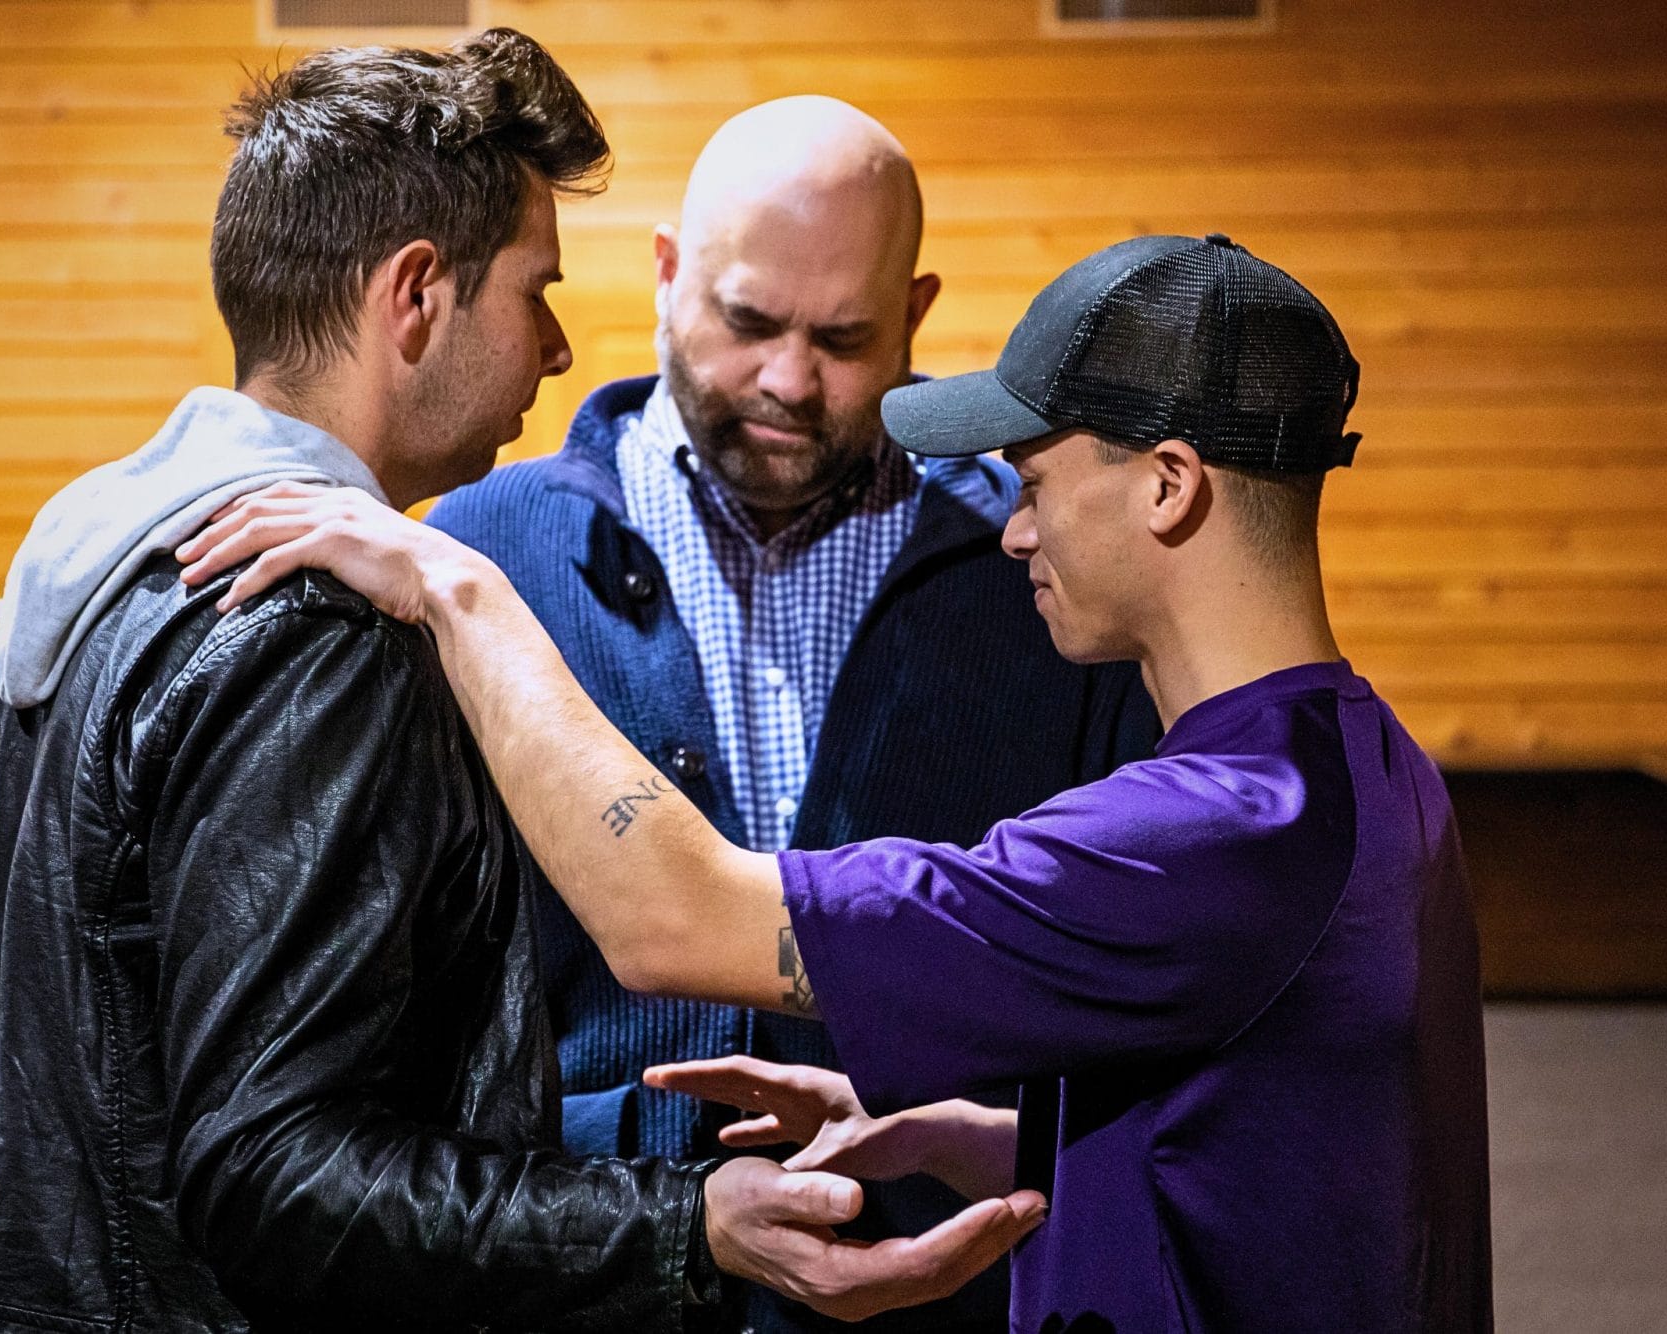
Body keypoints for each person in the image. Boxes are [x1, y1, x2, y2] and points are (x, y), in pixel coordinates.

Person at [0, 32, 1043, 1334]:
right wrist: (683, 1222)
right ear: (417, 299)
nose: (559, 350)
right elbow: (275, 1171)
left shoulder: (84, 569)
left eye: (841, 333)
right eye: (535, 290)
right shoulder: (327, 616)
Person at [180, 232, 1495, 1332]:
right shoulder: (1363, 758)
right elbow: (1271, 1131)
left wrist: (456, 585)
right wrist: (974, 1129)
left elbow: (671, 918)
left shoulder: (1205, 830)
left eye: (1038, 484)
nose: (1017, 528)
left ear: (1167, 486)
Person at [426, 96, 1158, 1332]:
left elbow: (1118, 977)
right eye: (747, 321)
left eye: (845, 337)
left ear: (916, 315)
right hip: (587, 1282)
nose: (786, 380)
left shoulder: (1039, 577)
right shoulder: (482, 556)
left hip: (953, 1288)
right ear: (666, 274)